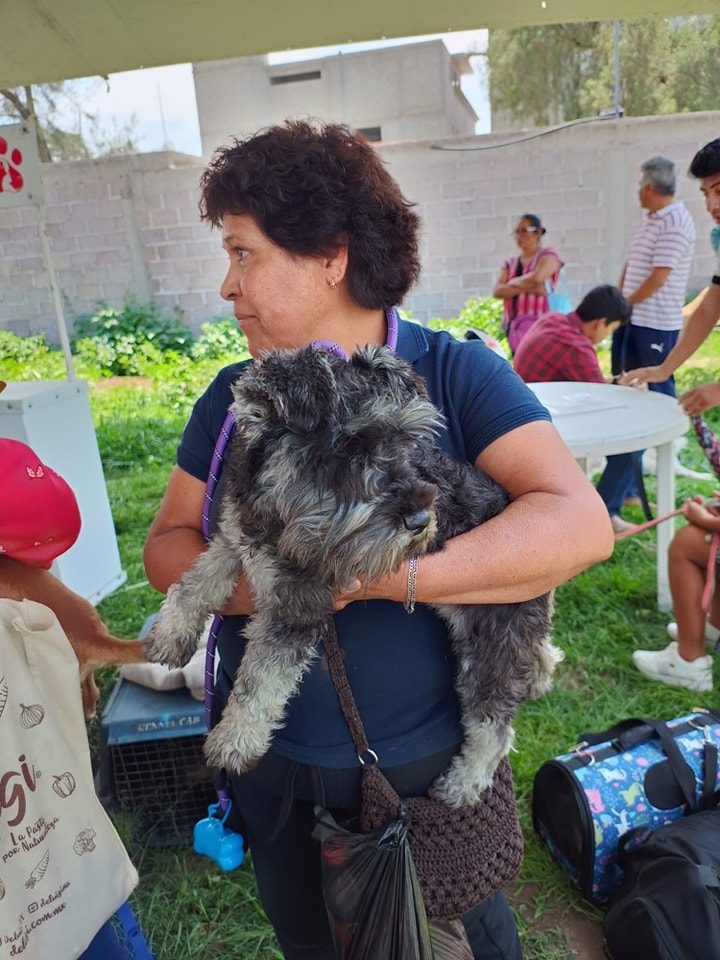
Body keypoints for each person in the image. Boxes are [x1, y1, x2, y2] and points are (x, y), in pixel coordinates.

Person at [143, 121, 613, 960]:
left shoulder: (454, 374)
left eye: (244, 253)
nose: (227, 284)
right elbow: (169, 543)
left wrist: (385, 577)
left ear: (330, 253)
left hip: (424, 775)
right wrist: (277, 579)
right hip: (277, 771)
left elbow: (578, 525)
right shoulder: (234, 397)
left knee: (455, 938)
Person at [621, 139, 720, 388]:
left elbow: (658, 277)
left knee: (659, 397)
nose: (711, 206)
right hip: (635, 316)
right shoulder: (649, 220)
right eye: (706, 194)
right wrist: (664, 369)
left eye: (719, 191)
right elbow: (709, 309)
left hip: (656, 321)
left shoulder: (675, 221)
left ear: (650, 189)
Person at [513, 284, 633, 384]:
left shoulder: (552, 318)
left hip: (522, 395)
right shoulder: (577, 346)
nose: (608, 335)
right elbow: (600, 393)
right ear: (601, 323)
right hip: (539, 405)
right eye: (612, 329)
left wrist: (617, 382)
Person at [493, 214, 563, 355]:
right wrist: (532, 286)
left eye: (524, 231)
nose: (519, 236)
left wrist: (512, 284)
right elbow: (498, 291)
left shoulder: (548, 255)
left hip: (542, 328)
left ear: (537, 232)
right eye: (517, 232)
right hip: (515, 330)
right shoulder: (510, 263)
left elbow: (537, 278)